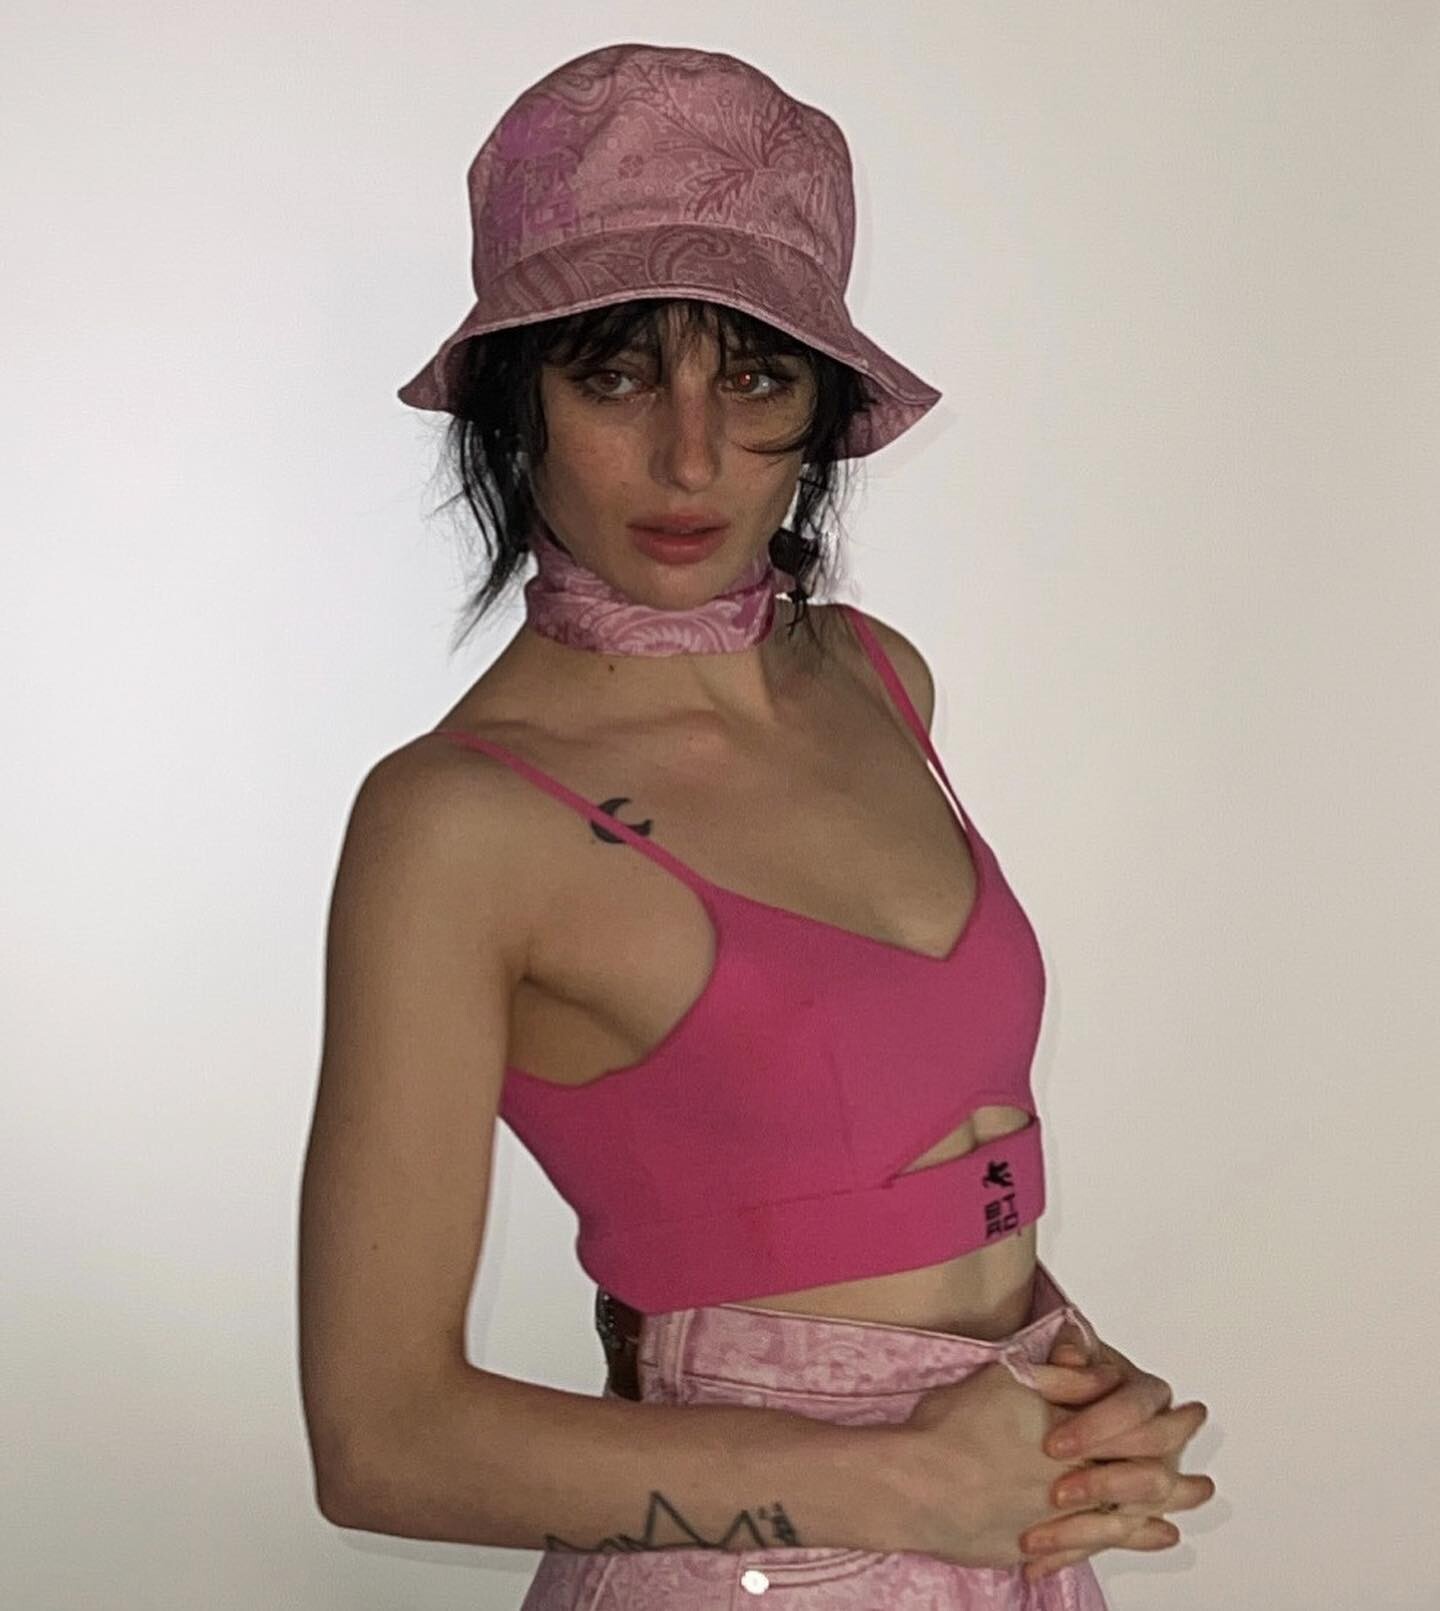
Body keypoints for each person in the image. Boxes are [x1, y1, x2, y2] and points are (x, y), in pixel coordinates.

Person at [298, 42, 1215, 1609]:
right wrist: (911, 1478)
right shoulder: (458, 822)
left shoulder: (878, 679)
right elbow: (380, 1442)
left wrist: (1061, 1378)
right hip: (757, 1576)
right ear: (518, 403)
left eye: (754, 378)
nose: (691, 455)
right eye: (614, 374)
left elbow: (883, 1187)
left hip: (1003, 1538)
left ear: (821, 409)